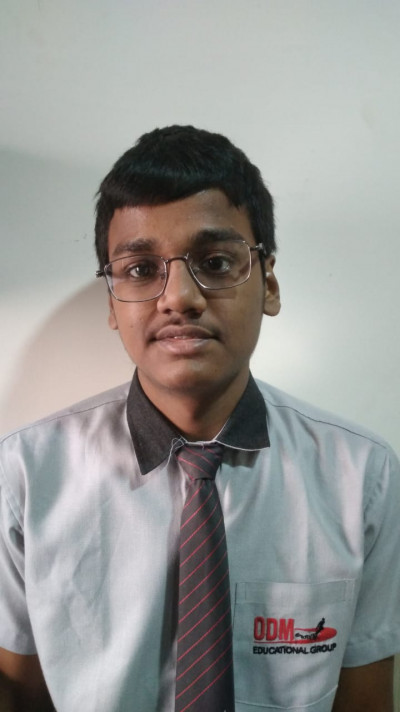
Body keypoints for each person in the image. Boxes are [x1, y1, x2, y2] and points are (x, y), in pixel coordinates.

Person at [0, 125, 399, 712]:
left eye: (215, 261)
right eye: (141, 270)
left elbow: (366, 699)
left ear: (268, 283)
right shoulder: (25, 476)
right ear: (112, 301)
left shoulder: (363, 477)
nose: (179, 297)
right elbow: (21, 694)